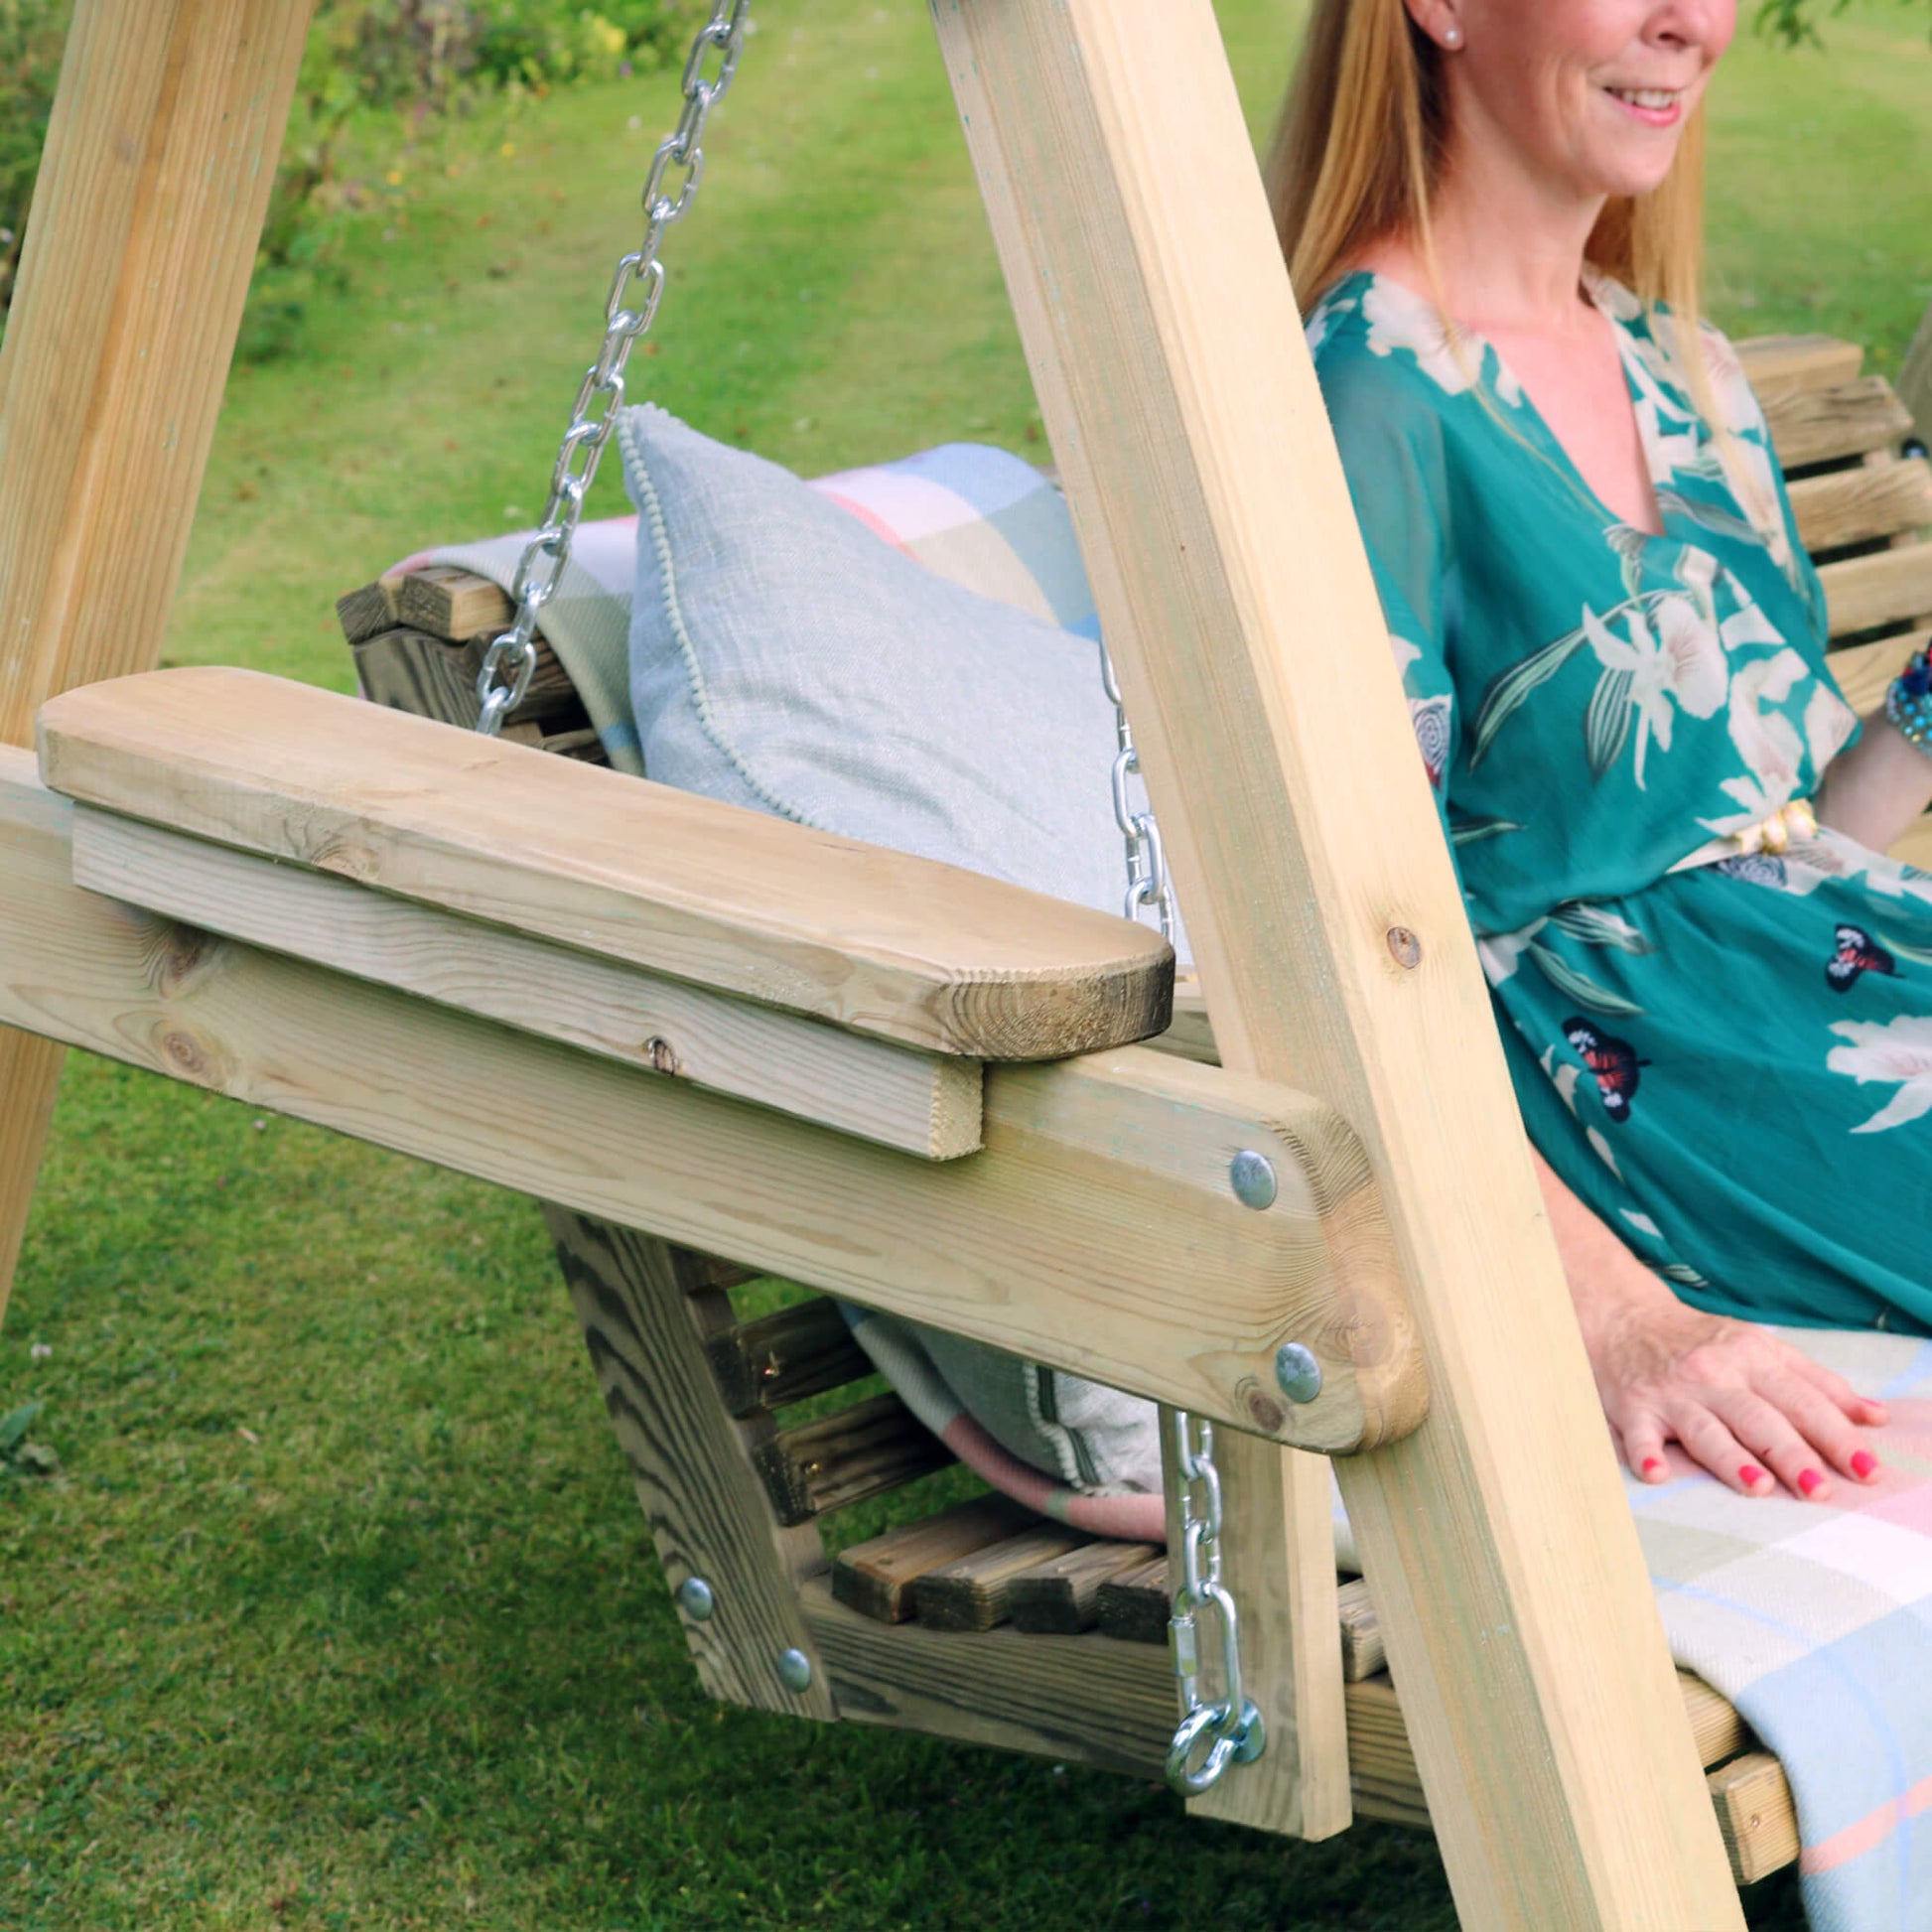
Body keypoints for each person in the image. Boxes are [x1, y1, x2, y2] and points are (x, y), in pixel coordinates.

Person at [1273, 0, 1929, 1503]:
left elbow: (1772, 838)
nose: (1691, 21)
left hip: (1797, 1013)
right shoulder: (1369, 397)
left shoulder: (1676, 363)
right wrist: (1620, 1318)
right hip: (1636, 1097)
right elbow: (1340, 948)